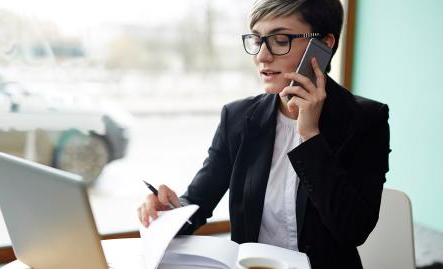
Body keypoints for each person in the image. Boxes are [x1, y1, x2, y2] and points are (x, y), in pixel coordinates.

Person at [138, 0, 390, 268]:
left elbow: (353, 230)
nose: (262, 56)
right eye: (257, 40)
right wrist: (170, 213)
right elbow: (198, 202)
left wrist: (310, 136)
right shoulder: (237, 118)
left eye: (280, 40)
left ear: (325, 45)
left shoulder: (365, 120)